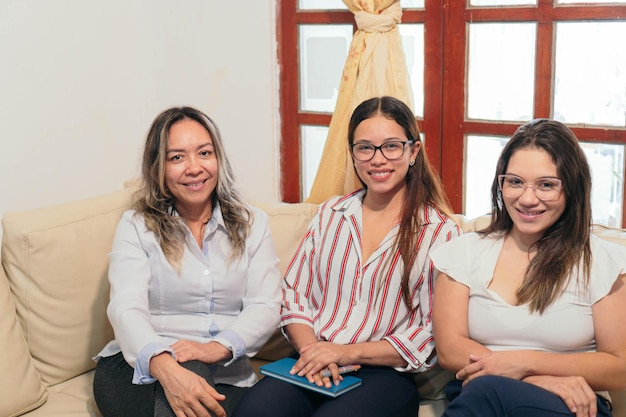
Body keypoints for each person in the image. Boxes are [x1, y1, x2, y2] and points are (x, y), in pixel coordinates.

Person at [233, 96, 461, 417]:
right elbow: (294, 295)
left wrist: (344, 352)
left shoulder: (440, 231)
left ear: (413, 152)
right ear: (353, 154)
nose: (377, 159)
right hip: (312, 356)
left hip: (384, 375)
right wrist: (315, 351)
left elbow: (430, 332)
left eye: (392, 146)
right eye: (364, 148)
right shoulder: (331, 214)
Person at [93, 106, 282, 417]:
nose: (194, 168)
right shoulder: (136, 225)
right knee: (189, 372)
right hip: (135, 371)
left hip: (228, 377)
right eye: (177, 157)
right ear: (159, 168)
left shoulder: (253, 224)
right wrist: (165, 365)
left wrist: (213, 349)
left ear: (218, 158)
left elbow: (266, 305)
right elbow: (126, 307)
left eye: (204, 153)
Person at [431, 119, 626, 417]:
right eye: (515, 182)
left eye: (546, 185)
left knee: (486, 391)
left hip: (571, 404)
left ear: (573, 188)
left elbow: (619, 366)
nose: (527, 198)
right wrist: (537, 379)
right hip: (481, 392)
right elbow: (449, 348)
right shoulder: (464, 251)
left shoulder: (602, 259)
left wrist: (523, 363)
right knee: (486, 391)